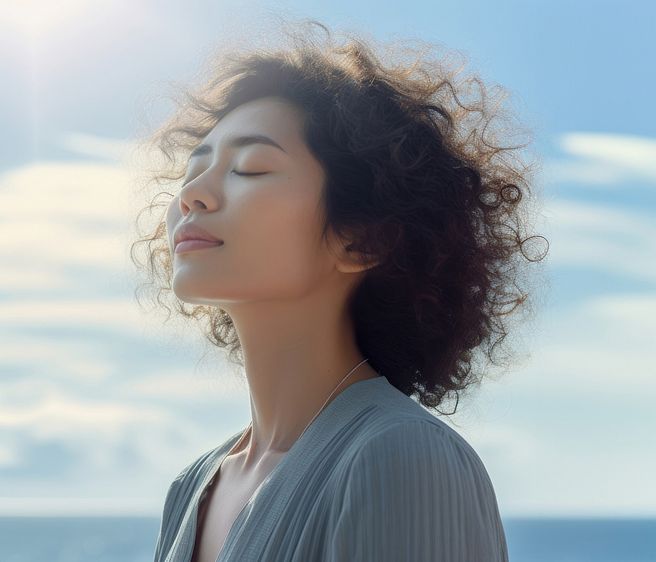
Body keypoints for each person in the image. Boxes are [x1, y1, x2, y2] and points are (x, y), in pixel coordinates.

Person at [130, 17, 548, 562]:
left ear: (361, 240)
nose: (194, 196)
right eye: (192, 171)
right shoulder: (190, 489)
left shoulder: (403, 457)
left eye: (251, 168)